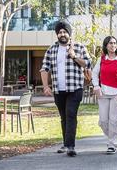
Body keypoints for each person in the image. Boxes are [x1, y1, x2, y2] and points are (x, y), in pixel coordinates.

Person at [41, 19, 92, 157]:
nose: (62, 34)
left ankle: (70, 146)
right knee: (63, 117)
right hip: (58, 90)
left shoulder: (79, 47)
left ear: (69, 33)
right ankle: (65, 143)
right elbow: (44, 68)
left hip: (75, 89)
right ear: (57, 34)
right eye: (60, 32)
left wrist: (74, 56)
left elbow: (87, 64)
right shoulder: (51, 50)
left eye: (65, 32)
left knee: (70, 114)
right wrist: (46, 86)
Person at [92, 36, 117, 154]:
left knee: (114, 120)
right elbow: (94, 73)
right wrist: (96, 86)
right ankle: (113, 137)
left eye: (114, 43)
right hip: (103, 93)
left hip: (116, 94)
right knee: (103, 121)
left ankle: (112, 144)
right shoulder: (101, 59)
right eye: (110, 43)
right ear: (106, 45)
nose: (113, 45)